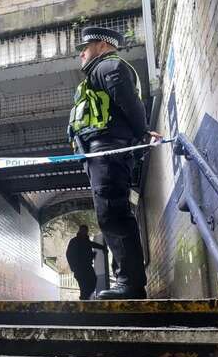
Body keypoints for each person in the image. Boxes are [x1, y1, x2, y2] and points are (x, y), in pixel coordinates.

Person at [67, 27, 162, 299]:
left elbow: (130, 104)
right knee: (110, 214)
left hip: (108, 152)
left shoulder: (109, 66)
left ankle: (130, 284)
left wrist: (143, 131)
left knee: (113, 213)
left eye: (85, 47)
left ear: (102, 44)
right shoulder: (100, 72)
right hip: (102, 155)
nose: (81, 54)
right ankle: (127, 280)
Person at [66, 225, 105, 300]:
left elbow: (93, 244)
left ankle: (86, 300)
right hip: (79, 269)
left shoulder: (86, 241)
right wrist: (74, 267)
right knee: (84, 287)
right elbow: (69, 254)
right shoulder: (74, 241)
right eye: (83, 230)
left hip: (88, 267)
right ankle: (84, 303)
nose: (84, 232)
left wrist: (103, 248)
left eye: (85, 231)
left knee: (93, 280)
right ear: (80, 231)